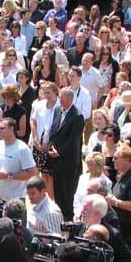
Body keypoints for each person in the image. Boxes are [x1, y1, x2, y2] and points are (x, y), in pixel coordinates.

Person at [47, 87, 85, 218]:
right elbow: (53, 130)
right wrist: (51, 147)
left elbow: (73, 140)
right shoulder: (58, 110)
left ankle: (68, 219)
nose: (60, 100)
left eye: (62, 97)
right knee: (57, 191)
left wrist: (59, 152)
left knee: (67, 193)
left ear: (70, 98)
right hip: (55, 159)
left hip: (68, 160)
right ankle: (60, 217)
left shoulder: (77, 116)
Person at [0, 117, 36, 200]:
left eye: (2, 128)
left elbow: (32, 173)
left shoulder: (22, 148)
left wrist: (9, 176)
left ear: (12, 129)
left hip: (17, 199)